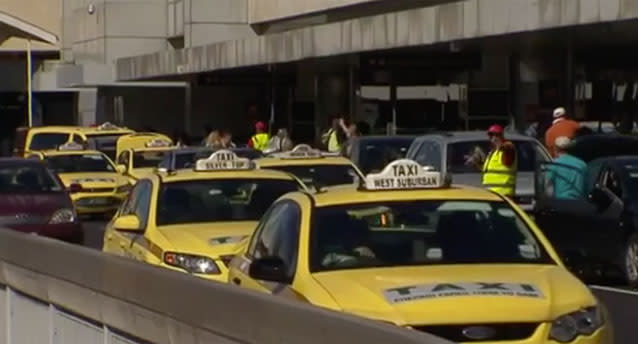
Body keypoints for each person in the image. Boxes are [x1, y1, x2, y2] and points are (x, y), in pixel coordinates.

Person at [466, 125, 517, 197]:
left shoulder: (507, 149)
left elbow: (508, 149)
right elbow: (488, 171)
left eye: (495, 135)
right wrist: (476, 163)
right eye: (491, 136)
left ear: (500, 136)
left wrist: (502, 144)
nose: (492, 138)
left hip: (504, 196)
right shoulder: (493, 153)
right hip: (491, 195)